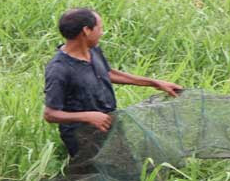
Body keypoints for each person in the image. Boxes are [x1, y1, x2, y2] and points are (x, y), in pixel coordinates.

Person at [43, 8, 183, 159]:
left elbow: (108, 73)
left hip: (109, 126)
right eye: (100, 28)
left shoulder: (93, 50)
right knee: (94, 176)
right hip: (82, 138)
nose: (102, 33)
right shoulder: (59, 69)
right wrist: (87, 116)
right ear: (86, 31)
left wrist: (153, 82)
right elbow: (50, 114)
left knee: (126, 169)